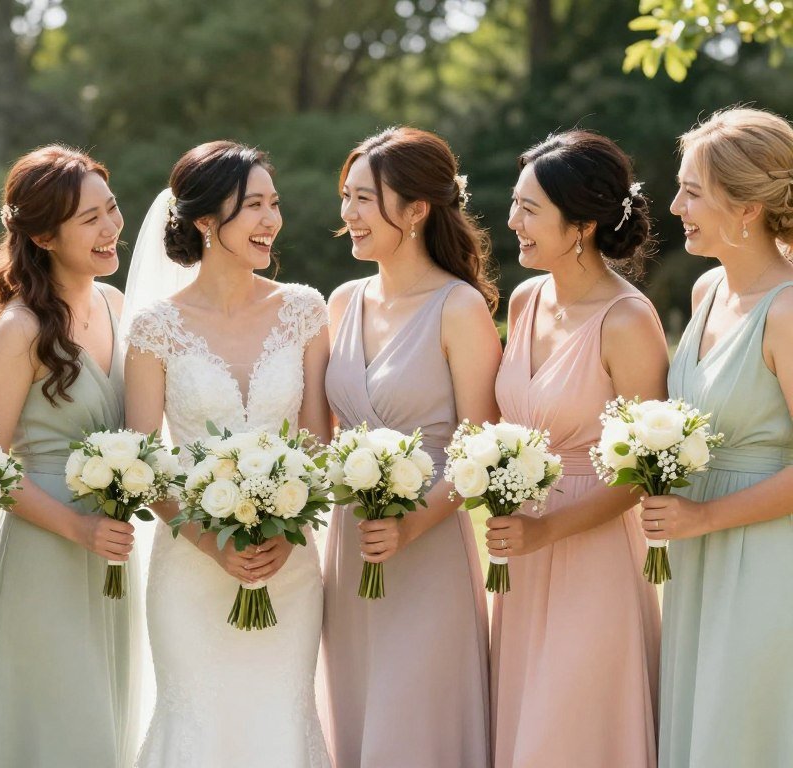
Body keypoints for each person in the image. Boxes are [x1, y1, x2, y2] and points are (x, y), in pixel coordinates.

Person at [124, 140, 332, 767]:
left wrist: (287, 536)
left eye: (275, 204)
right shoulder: (155, 327)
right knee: (198, 721)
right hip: (190, 562)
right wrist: (214, 544)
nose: (272, 220)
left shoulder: (304, 310)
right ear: (208, 221)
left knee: (279, 719)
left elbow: (317, 439)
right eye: (255, 206)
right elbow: (142, 461)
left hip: (289, 564)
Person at [322, 126, 499, 768]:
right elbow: (323, 438)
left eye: (365, 199)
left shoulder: (459, 308)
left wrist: (410, 526)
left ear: (417, 209)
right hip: (350, 548)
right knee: (358, 720)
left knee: (413, 731)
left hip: (428, 550)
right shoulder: (341, 303)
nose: (349, 215)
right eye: (347, 197)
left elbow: (481, 451)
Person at [492, 131, 666, 768]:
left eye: (529, 209)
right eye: (515, 204)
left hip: (591, 551)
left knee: (571, 734)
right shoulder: (525, 299)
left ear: (582, 226)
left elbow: (648, 473)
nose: (512, 220)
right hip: (521, 556)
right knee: (524, 725)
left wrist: (549, 530)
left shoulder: (627, 320)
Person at [0, 146, 139, 767]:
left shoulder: (119, 306)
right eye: (89, 219)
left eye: (111, 209)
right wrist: (77, 526)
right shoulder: (20, 329)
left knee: (107, 720)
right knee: (56, 725)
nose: (110, 228)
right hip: (46, 553)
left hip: (115, 554)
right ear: (43, 234)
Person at [648, 107, 793, 768]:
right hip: (697, 559)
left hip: (764, 561)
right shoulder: (708, 288)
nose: (675, 204)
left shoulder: (787, 312)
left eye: (692, 191)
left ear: (747, 209)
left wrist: (704, 515)